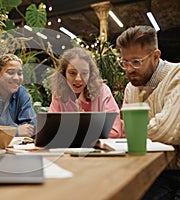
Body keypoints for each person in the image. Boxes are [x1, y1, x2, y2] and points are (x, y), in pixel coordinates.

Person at [116, 25, 180, 199]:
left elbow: (166, 131)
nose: (129, 69)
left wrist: (137, 129)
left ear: (156, 56)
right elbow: (130, 132)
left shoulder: (177, 76)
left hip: (173, 173)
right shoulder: (131, 88)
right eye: (124, 62)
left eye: (136, 62)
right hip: (145, 169)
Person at [48, 47, 123, 138]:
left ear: (90, 74)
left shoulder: (102, 91)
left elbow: (114, 131)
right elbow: (51, 131)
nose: (78, 79)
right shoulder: (58, 94)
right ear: (64, 74)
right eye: (72, 73)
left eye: (84, 73)